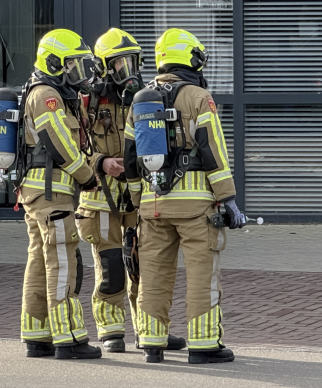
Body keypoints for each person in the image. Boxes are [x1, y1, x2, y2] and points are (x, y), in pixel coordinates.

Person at [124, 28, 242, 364]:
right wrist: (228, 198)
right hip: (195, 209)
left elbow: (131, 157)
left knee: (154, 275)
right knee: (202, 275)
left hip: (153, 207)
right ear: (191, 59)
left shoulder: (141, 99)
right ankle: (204, 346)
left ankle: (151, 343)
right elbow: (212, 149)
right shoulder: (198, 97)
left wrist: (138, 201)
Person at [76, 28, 186, 352]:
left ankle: (150, 330)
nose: (129, 71)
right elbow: (72, 146)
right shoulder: (87, 102)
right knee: (111, 267)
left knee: (144, 266)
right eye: (120, 64)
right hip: (101, 200)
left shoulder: (143, 99)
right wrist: (100, 163)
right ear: (102, 66)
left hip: (137, 198)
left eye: (132, 62)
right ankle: (111, 332)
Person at [18, 28, 101, 360]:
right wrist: (87, 175)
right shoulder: (46, 95)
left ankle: (37, 335)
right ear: (53, 64)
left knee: (41, 260)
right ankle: (68, 339)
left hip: (41, 191)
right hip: (51, 194)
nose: (78, 73)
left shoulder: (51, 94)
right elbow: (60, 142)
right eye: (72, 66)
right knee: (63, 260)